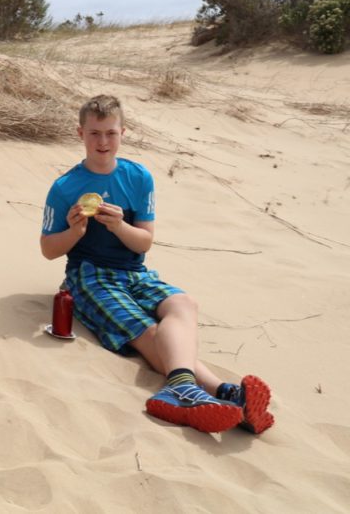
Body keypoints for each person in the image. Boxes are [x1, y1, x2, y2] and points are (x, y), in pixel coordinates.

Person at [39, 94, 273, 434]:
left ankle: (209, 393)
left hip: (134, 272)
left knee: (183, 304)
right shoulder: (65, 187)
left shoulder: (139, 177)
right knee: (149, 330)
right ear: (80, 134)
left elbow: (144, 242)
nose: (103, 142)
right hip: (89, 275)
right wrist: (75, 231)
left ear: (123, 132)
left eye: (110, 133)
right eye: (94, 133)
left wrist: (119, 226)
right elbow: (48, 250)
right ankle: (208, 392)